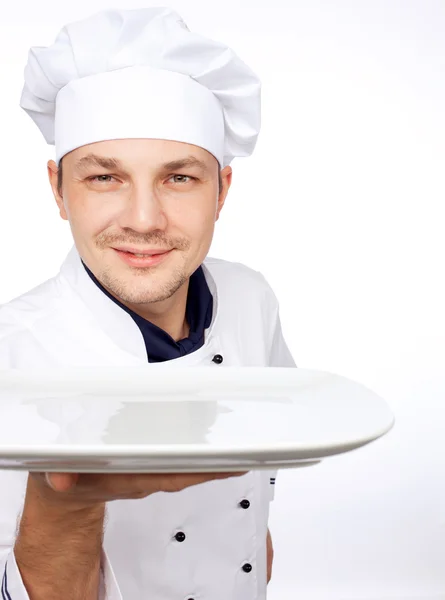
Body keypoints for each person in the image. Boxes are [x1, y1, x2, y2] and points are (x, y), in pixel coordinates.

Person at [0, 7, 295, 600]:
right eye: (104, 178)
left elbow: (265, 475)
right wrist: (65, 508)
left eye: (179, 178)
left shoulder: (250, 297)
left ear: (222, 191)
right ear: (57, 190)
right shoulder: (11, 353)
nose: (144, 220)